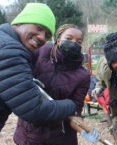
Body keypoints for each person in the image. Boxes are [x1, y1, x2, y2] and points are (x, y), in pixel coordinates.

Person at [13, 24, 90, 145]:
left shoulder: (82, 75)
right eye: (69, 38)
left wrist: (74, 118)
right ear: (58, 39)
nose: (74, 43)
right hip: (31, 132)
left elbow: (76, 106)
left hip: (61, 136)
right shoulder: (40, 53)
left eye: (79, 41)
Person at [0, 3, 76, 131]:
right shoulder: (10, 50)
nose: (41, 37)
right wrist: (71, 105)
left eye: (47, 35)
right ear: (19, 23)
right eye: (39, 28)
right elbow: (33, 109)